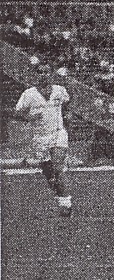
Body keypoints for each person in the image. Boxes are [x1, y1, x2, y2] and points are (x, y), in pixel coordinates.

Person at [14, 62, 74, 216]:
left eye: (46, 72)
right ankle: (59, 193)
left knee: (57, 167)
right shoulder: (29, 94)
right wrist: (29, 117)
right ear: (35, 75)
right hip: (40, 138)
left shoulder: (59, 90)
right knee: (49, 173)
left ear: (51, 74)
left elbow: (67, 104)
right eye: (40, 72)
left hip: (58, 133)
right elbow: (17, 112)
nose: (43, 75)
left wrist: (67, 116)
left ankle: (66, 204)